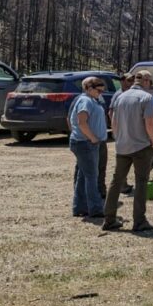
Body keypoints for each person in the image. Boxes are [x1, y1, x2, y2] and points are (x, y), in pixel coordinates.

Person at [102, 70, 153, 232]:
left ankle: (109, 219)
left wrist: (118, 138)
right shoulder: (146, 98)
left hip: (123, 146)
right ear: (146, 81)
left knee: (116, 181)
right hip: (141, 146)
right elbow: (149, 123)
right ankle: (139, 221)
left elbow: (113, 121)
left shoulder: (120, 97)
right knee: (141, 183)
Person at [67, 76, 108, 218]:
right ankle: (96, 208)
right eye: (98, 90)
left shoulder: (92, 100)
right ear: (89, 88)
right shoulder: (85, 100)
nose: (100, 93)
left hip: (87, 143)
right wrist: (93, 138)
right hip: (85, 144)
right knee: (92, 176)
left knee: (84, 176)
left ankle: (80, 207)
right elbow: (81, 122)